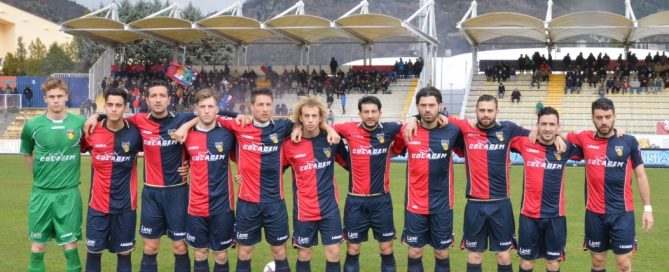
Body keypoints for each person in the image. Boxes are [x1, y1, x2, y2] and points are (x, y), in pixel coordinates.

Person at [174, 88, 339, 272]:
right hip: (247, 204)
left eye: (268, 104)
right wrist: (186, 126)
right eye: (260, 104)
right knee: (244, 253)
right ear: (251, 106)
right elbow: (210, 114)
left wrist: (327, 127)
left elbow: (308, 121)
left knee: (279, 252)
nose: (265, 109)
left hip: (275, 203)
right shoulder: (239, 126)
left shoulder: (282, 127)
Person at [85, 80, 239, 272]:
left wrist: (239, 116)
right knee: (150, 247)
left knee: (180, 246)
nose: (158, 100)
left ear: (169, 99)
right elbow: (114, 115)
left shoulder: (182, 119)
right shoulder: (138, 121)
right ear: (147, 100)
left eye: (162, 96)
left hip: (178, 193)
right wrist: (96, 115)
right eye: (153, 96)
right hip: (151, 194)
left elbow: (213, 113)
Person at [406, 94, 565, 272]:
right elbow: (432, 115)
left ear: (497, 111)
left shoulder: (509, 129)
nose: (486, 114)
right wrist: (414, 117)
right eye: (482, 110)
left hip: (501, 204)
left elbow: (542, 135)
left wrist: (558, 136)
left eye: (490, 110)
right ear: (476, 111)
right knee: (474, 255)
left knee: (504, 255)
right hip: (475, 204)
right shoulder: (465, 128)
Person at [562, 98, 653, 272]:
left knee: (624, 264)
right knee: (597, 261)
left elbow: (641, 175)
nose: (604, 122)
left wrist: (647, 209)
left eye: (608, 116)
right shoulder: (584, 138)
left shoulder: (629, 141)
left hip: (622, 213)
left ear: (614, 116)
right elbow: (556, 133)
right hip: (595, 214)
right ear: (593, 118)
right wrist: (539, 131)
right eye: (599, 117)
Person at [391, 87, 464, 272]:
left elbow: (470, 147)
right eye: (423, 105)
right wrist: (411, 119)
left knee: (441, 254)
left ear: (440, 105)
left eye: (432, 105)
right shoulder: (407, 131)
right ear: (417, 106)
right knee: (414, 253)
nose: (428, 109)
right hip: (415, 205)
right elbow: (394, 150)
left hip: (442, 206)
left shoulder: (453, 131)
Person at [331, 96, 403, 272]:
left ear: (380, 113)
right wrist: (328, 128)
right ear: (359, 114)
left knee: (386, 249)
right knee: (353, 249)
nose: (370, 115)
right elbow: (326, 127)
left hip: (381, 201)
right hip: (355, 202)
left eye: (373, 112)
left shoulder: (390, 129)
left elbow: (409, 126)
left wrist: (415, 120)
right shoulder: (348, 129)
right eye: (366, 112)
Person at [20, 77, 85, 272]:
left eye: (59, 96)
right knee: (38, 246)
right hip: (41, 195)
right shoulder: (32, 125)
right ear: (45, 99)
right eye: (51, 97)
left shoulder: (79, 122)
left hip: (69, 194)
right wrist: (41, 178)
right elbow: (27, 154)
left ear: (66, 97)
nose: (56, 100)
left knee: (70, 247)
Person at [510, 107, 582, 272]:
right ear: (537, 125)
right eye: (543, 124)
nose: (547, 128)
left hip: (555, 217)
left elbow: (590, 143)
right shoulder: (525, 143)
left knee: (552, 263)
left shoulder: (566, 148)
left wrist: (561, 137)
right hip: (528, 216)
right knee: (526, 262)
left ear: (558, 126)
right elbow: (505, 131)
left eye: (552, 124)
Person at [82, 88, 142, 272]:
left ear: (125, 107)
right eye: (110, 105)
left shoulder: (136, 133)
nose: (114, 109)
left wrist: (185, 164)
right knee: (93, 253)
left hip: (125, 208)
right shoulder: (91, 131)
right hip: (98, 207)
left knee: (124, 254)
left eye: (118, 105)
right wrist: (96, 117)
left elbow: (161, 148)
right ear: (105, 106)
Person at [282, 96, 346, 272]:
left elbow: (350, 164)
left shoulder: (331, 141)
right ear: (300, 118)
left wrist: (331, 130)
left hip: (329, 209)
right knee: (304, 255)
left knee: (333, 253)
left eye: (314, 116)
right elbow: (274, 171)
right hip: (304, 211)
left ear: (321, 118)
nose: (310, 120)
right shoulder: (289, 145)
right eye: (306, 116)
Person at [183, 89, 237, 272]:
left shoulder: (228, 134)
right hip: (196, 206)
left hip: (222, 206)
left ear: (217, 109)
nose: (206, 111)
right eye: (202, 107)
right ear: (196, 109)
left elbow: (246, 154)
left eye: (210, 106)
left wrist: (244, 172)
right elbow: (181, 162)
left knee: (221, 254)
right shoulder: (187, 135)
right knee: (200, 253)